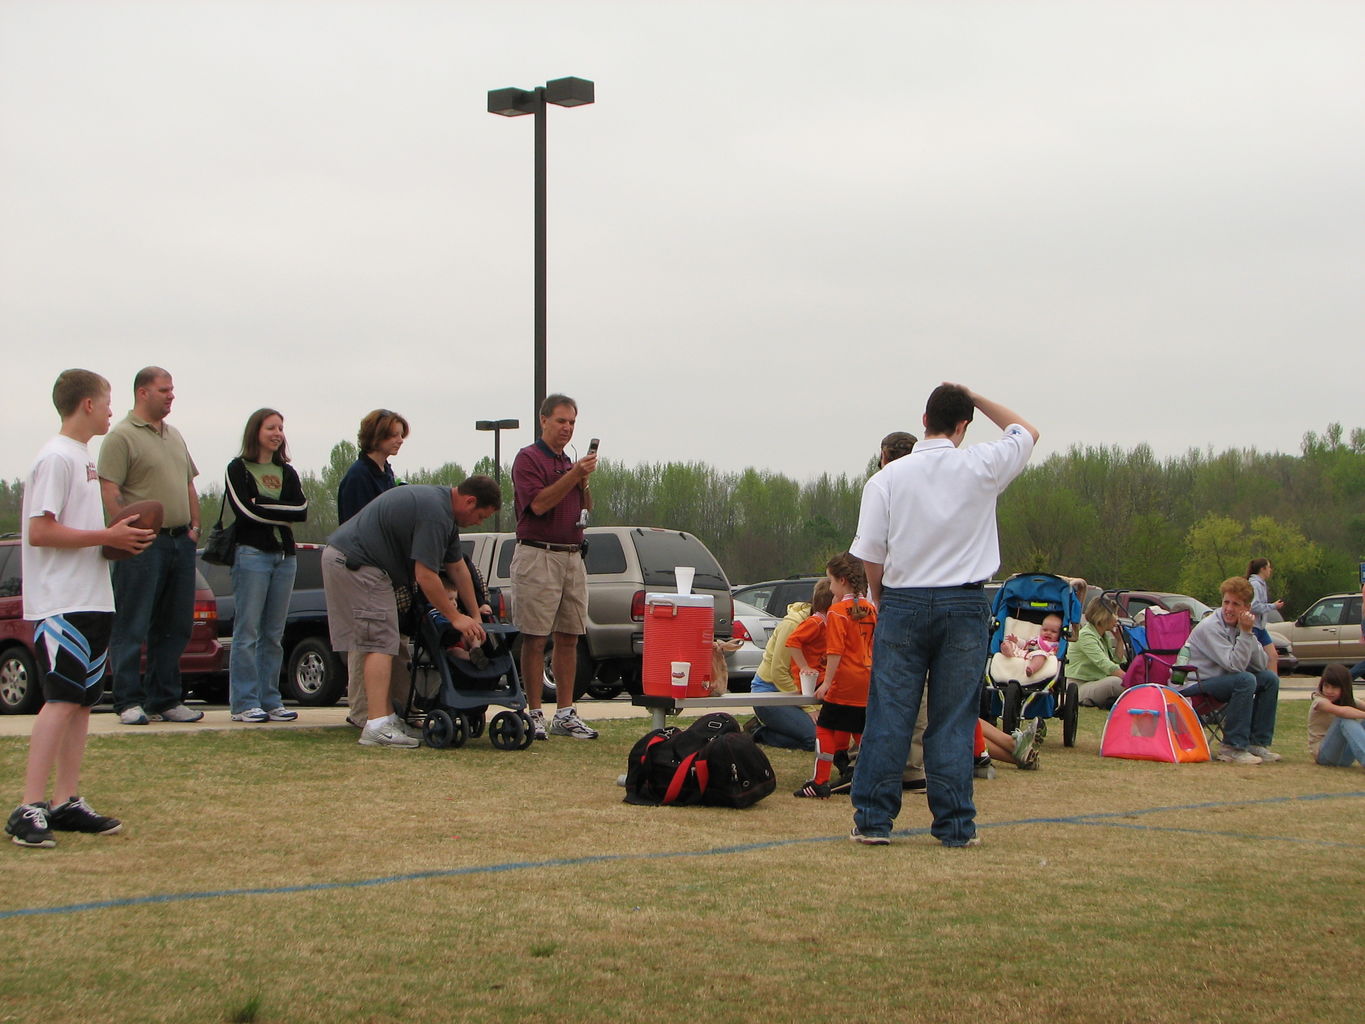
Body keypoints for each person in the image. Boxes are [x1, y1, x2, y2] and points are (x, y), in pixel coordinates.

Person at [848, 383, 1037, 847]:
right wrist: (975, 396)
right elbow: (1026, 431)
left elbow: (871, 553)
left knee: (890, 715)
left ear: (923, 419)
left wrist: (883, 597)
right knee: (953, 718)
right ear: (963, 426)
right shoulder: (982, 464)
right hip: (964, 604)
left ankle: (874, 821)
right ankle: (954, 826)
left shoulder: (887, 478)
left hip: (903, 601)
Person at [6, 370, 153, 848]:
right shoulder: (55, 457)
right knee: (61, 698)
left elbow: (85, 534)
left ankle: (65, 801)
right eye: (108, 401)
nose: (113, 409)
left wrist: (117, 542)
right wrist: (106, 536)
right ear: (87, 404)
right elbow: (39, 531)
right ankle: (28, 806)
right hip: (61, 601)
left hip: (93, 597)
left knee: (85, 703)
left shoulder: (83, 459)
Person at [321, 477, 500, 748]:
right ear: (469, 501)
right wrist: (455, 617)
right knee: (380, 641)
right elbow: (426, 576)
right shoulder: (435, 514)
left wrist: (474, 617)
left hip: (362, 563)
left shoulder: (445, 515)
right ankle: (377, 725)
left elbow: (458, 568)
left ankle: (385, 718)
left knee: (385, 638)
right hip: (356, 563)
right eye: (480, 515)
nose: (479, 522)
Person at [97, 366, 204, 725]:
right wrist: (123, 532)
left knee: (175, 625)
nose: (171, 395)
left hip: (179, 542)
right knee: (133, 622)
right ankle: (127, 700)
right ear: (143, 393)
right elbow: (110, 489)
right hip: (141, 545)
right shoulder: (121, 437)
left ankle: (166, 698)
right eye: (164, 390)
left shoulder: (174, 435)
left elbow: (188, 483)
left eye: (172, 389)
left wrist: (194, 527)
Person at [511, 393, 598, 741]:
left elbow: (585, 508)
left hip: (572, 554)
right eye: (561, 421)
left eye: (572, 422)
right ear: (543, 420)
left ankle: (565, 712)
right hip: (538, 555)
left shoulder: (570, 463)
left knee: (569, 636)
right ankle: (534, 712)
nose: (567, 428)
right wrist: (573, 474)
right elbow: (540, 503)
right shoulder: (528, 459)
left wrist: (582, 480)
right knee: (534, 637)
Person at [223, 409, 309, 723]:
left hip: (285, 557)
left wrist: (265, 504)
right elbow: (246, 511)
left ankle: (270, 699)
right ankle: (244, 702)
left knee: (273, 633)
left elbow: (301, 509)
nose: (277, 433)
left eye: (281, 428)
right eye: (271, 427)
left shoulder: (287, 472)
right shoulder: (238, 469)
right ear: (256, 431)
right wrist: (278, 510)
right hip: (251, 555)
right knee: (248, 631)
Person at [336, 409, 415, 730]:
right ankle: (362, 711)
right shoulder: (358, 476)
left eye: (401, 435)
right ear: (376, 436)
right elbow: (357, 527)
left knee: (393, 641)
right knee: (365, 643)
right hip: (362, 568)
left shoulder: (386, 474)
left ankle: (394, 709)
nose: (399, 441)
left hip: (387, 571)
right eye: (394, 434)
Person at [794, 555, 877, 799]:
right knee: (860, 727)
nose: (830, 587)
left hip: (845, 677)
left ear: (842, 581)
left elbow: (835, 650)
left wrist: (827, 683)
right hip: (866, 675)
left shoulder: (838, 611)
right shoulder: (870, 608)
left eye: (831, 581)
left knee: (826, 727)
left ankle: (820, 781)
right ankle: (864, 775)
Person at [1181, 576, 1281, 765]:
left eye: (1236, 604)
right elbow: (1234, 666)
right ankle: (1232, 747)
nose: (1229, 608)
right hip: (1196, 683)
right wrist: (1244, 634)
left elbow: (1261, 664)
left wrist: (1248, 633)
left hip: (1222, 680)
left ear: (1247, 608)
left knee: (1269, 679)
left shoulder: (1241, 626)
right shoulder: (1210, 627)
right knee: (1245, 680)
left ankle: (1256, 743)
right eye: (1226, 602)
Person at [748, 579, 831, 751]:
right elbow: (778, 672)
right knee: (815, 739)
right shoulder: (794, 624)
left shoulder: (828, 624)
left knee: (829, 736)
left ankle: (784, 728)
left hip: (802, 692)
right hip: (770, 692)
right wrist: (809, 707)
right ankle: (759, 732)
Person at [1067, 598, 1126, 709]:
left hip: (1096, 682)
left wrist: (1119, 640)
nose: (1117, 618)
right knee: (1116, 682)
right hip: (1079, 686)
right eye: (1114, 614)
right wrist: (1130, 680)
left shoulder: (1103, 636)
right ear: (1103, 615)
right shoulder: (1085, 636)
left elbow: (1117, 660)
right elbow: (1104, 664)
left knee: (1117, 681)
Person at [1306, 664, 1365, 767]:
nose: (1329, 691)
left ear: (1344, 688)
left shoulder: (1347, 699)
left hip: (1344, 758)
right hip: (1324, 756)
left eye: (1334, 687)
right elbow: (1343, 712)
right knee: (1344, 719)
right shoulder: (1320, 702)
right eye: (1326, 686)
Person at [998, 613, 1062, 677]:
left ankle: (1032, 669)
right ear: (1041, 629)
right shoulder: (1036, 639)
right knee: (1011, 644)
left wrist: (1054, 651)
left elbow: (1053, 653)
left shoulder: (1054, 645)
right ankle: (1008, 651)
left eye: (1053, 631)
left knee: (1041, 655)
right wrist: (1016, 641)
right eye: (1045, 630)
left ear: (1059, 634)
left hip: (1037, 656)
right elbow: (1026, 644)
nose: (1048, 633)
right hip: (1025, 653)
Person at [1246, 558, 1284, 629]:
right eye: (1269, 567)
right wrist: (1273, 606)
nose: (1270, 570)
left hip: (1260, 627)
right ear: (1262, 569)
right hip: (1253, 627)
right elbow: (1254, 606)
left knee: (1269, 641)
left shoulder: (1261, 584)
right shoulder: (1255, 585)